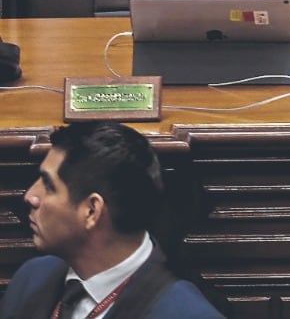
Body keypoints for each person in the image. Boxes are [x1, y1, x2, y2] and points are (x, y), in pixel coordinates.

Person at [1, 122, 224, 319]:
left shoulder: (186, 313)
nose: (30, 196)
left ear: (91, 211)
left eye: (49, 186)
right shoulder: (32, 277)